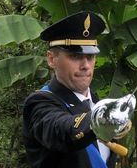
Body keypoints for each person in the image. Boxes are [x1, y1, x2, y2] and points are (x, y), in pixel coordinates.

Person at [22, 11, 129, 168]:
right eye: (75, 56)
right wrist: (101, 118)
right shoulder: (39, 104)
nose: (85, 65)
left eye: (90, 57)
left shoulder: (95, 102)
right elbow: (62, 130)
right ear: (52, 59)